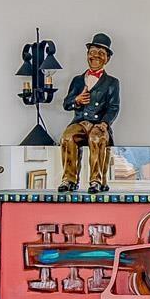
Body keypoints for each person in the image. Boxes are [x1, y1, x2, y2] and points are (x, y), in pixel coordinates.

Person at [58, 33, 120, 194]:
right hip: (80, 122)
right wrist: (77, 100)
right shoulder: (78, 80)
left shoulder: (112, 82)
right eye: (93, 52)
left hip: (99, 123)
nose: (96, 56)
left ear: (107, 59)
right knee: (67, 136)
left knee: (96, 137)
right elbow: (66, 104)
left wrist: (105, 124)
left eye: (101, 53)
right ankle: (69, 179)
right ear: (87, 55)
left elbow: (114, 107)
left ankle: (96, 180)